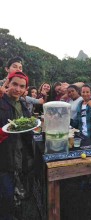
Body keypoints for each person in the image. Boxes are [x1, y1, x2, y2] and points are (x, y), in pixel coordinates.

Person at [0, 71, 34, 219]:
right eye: (15, 84)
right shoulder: (1, 101)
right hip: (4, 155)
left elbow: (26, 126)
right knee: (6, 193)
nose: (18, 89)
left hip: (20, 154)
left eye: (22, 86)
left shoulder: (22, 104)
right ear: (8, 83)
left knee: (18, 189)